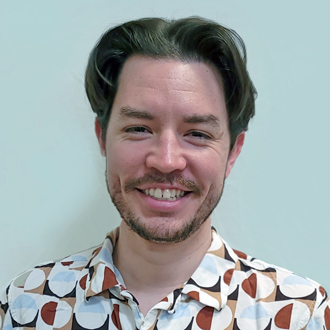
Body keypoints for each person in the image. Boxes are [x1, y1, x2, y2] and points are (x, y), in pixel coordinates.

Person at [1, 16, 329, 330]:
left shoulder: (300, 315)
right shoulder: (26, 307)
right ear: (102, 138)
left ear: (232, 152)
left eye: (197, 134)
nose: (167, 160)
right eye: (139, 128)